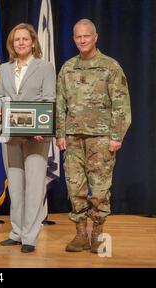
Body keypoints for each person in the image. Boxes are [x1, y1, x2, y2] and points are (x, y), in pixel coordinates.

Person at [56, 19, 131, 253]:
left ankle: (97, 233)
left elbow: (121, 105)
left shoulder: (110, 67)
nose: (82, 40)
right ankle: (80, 234)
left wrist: (116, 135)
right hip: (73, 138)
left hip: (101, 138)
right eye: (78, 36)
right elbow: (60, 104)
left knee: (99, 189)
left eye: (86, 36)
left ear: (95, 37)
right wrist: (60, 133)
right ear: (74, 38)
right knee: (75, 188)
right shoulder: (68, 68)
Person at [0, 23, 56, 253]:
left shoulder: (45, 67)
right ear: (12, 44)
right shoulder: (4, 68)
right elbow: (0, 95)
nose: (20, 43)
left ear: (33, 42)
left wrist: (42, 125)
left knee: (33, 186)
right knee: (16, 185)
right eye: (16, 40)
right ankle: (17, 232)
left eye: (24, 39)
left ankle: (30, 236)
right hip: (11, 135)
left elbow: (49, 100)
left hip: (37, 136)